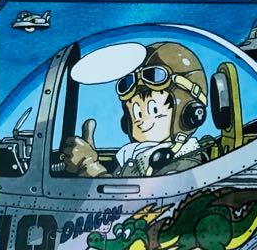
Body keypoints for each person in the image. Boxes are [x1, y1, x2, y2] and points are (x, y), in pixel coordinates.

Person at [61, 42, 210, 178]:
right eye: (136, 113)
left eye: (154, 110)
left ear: (191, 114)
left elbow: (141, 196)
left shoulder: (185, 166)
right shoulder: (136, 156)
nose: (140, 121)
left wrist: (89, 167)